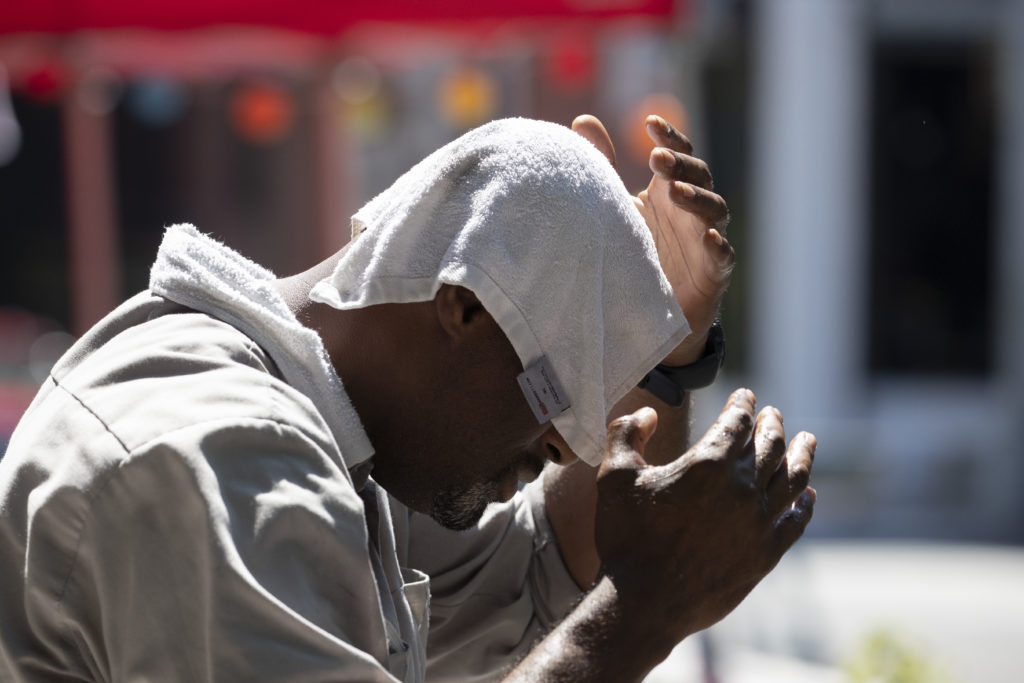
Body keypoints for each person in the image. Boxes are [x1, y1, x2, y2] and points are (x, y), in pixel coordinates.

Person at [0, 114, 816, 682]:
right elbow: (592, 592)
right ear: (462, 305)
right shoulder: (223, 454)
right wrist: (644, 608)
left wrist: (664, 350)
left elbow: (546, 571)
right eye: (553, 408)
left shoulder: (329, 439)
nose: (566, 450)